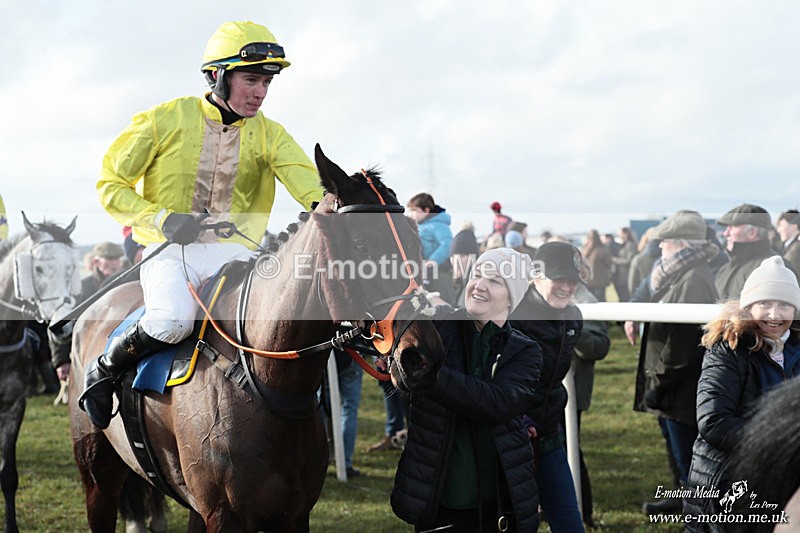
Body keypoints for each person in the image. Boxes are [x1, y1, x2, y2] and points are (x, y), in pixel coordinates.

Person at [79, 20, 324, 430]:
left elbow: (311, 186)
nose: (261, 93)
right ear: (217, 76)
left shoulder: (272, 135)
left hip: (237, 253)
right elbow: (111, 184)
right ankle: (104, 368)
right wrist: (162, 219)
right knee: (172, 322)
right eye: (251, 80)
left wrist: (337, 204)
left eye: (267, 82)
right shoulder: (163, 120)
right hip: (170, 251)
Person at [392, 248, 542, 532]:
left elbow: (499, 404)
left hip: (500, 504)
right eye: (477, 275)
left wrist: (428, 372)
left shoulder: (525, 351)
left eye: (495, 281)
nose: (480, 285)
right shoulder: (436, 326)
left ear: (512, 298)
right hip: (439, 498)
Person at [684, 256, 800, 531]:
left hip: (783, 481)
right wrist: (777, 449)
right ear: (749, 307)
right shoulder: (728, 349)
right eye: (765, 304)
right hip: (725, 479)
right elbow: (713, 421)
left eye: (784, 305)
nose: (775, 314)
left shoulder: (797, 348)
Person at [623, 210, 719, 515]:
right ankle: (682, 499)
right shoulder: (679, 272)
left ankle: (697, 513)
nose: (660, 246)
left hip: (679, 385)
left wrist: (659, 384)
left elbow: (682, 346)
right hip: (671, 383)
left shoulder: (692, 279)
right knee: (677, 449)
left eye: (665, 241)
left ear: (682, 244)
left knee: (689, 455)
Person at [509, 241, 588, 532]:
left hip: (550, 434)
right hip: (508, 440)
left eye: (572, 280)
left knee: (570, 523)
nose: (567, 287)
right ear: (536, 276)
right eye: (559, 278)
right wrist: (518, 420)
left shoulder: (573, 317)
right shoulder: (510, 315)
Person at [570, 277, 611, 528]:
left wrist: (572, 328)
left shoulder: (586, 301)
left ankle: (583, 512)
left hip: (570, 392)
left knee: (570, 450)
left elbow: (599, 346)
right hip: (543, 390)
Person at [715, 203, 783, 301]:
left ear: (752, 232)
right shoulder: (725, 269)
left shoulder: (774, 267)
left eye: (732, 227)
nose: (725, 233)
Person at [407, 192, 454, 304]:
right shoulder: (417, 227)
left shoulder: (438, 225)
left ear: (426, 210)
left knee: (442, 303)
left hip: (438, 271)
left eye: (414, 210)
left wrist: (432, 261)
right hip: (422, 272)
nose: (411, 214)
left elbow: (447, 244)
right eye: (410, 210)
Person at [581, 229, 613, 302]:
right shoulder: (602, 250)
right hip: (600, 280)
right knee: (601, 300)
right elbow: (608, 263)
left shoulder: (585, 250)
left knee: (589, 300)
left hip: (588, 279)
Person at [611, 227, 638, 302]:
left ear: (625, 234)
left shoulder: (630, 245)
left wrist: (615, 260)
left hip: (625, 276)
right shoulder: (623, 245)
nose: (619, 235)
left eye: (621, 233)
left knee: (625, 297)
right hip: (620, 276)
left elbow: (629, 260)